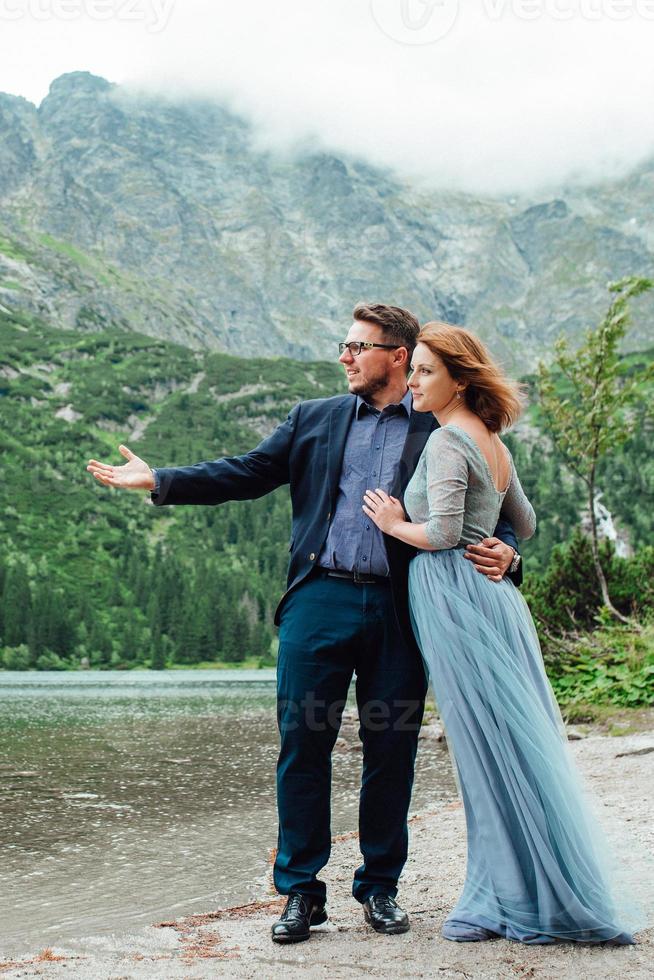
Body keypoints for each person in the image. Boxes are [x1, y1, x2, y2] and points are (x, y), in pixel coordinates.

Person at [85, 304, 522, 945]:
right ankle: (300, 893)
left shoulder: (440, 424)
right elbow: (248, 471)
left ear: (398, 356)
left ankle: (379, 889)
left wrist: (510, 552)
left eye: (357, 346)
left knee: (392, 747)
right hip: (319, 600)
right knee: (303, 745)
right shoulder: (313, 418)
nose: (344, 356)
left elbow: (493, 497)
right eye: (344, 346)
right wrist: (161, 480)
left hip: (403, 609)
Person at [362, 321, 640, 945]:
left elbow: (440, 536)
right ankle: (529, 885)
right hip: (492, 600)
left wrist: (391, 520)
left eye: (426, 372)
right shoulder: (493, 442)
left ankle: (511, 897)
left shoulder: (444, 443)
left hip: (451, 596)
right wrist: (502, 553)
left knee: (486, 752)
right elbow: (528, 523)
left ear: (460, 380)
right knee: (507, 744)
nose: (413, 383)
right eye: (413, 371)